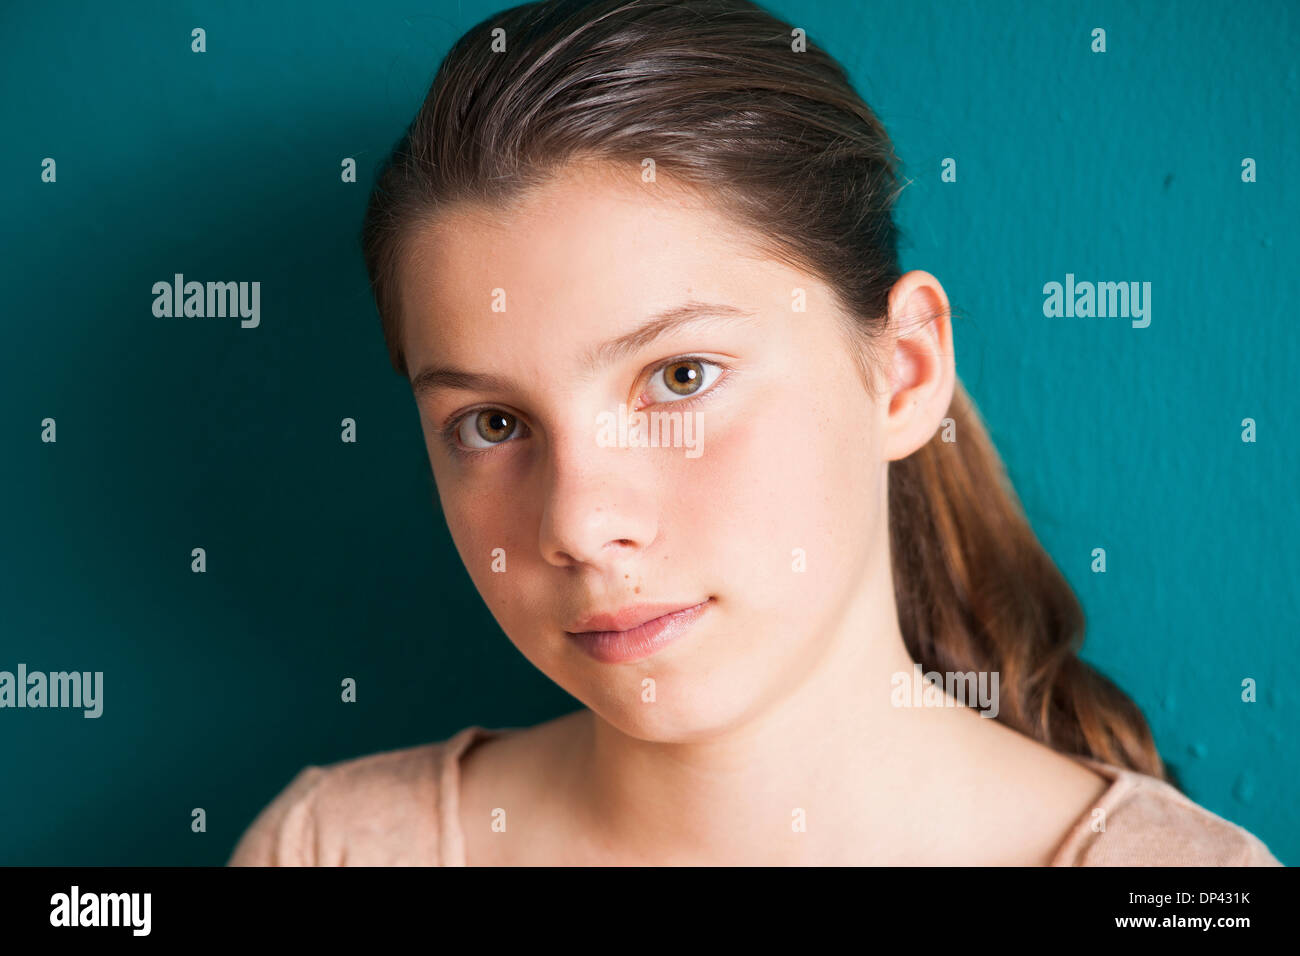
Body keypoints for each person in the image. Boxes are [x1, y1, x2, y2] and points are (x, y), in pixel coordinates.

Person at [229, 0, 1282, 866]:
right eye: (493, 422)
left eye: (680, 377)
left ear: (901, 370)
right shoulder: (332, 849)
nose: (582, 525)